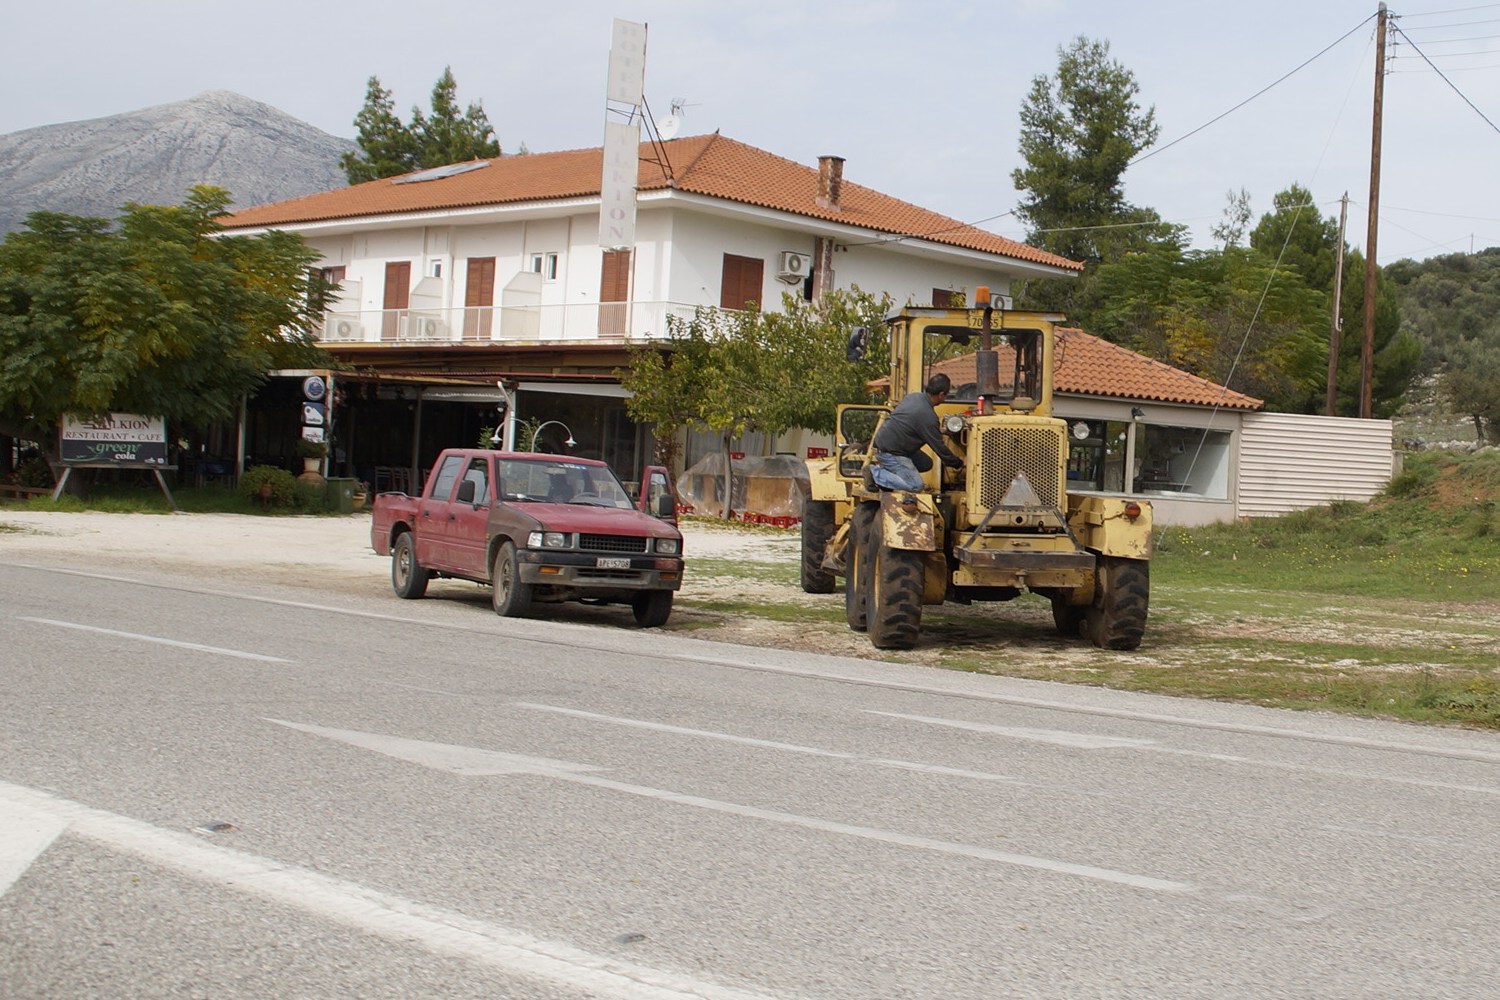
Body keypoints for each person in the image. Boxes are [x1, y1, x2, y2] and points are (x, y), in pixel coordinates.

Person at [869, 373, 963, 491]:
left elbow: (911, 423)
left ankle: (890, 476)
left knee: (926, 464)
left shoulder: (913, 397)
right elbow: (939, 448)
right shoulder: (928, 417)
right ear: (941, 394)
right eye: (946, 395)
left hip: (889, 443)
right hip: (891, 451)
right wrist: (957, 463)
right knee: (916, 486)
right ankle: (875, 474)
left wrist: (940, 431)